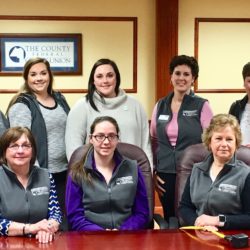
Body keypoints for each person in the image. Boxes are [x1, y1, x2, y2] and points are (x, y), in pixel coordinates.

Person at [150, 55, 213, 221]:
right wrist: (154, 170)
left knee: (188, 217)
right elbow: (154, 139)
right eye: (177, 73)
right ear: (171, 77)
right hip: (165, 172)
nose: (181, 78)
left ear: (193, 79)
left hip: (193, 172)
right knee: (170, 216)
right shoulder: (160, 104)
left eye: (186, 74)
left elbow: (210, 141)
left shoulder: (202, 105)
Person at [7, 57, 70, 214]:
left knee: (63, 223)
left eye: (43, 73)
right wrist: (35, 174)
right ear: (26, 78)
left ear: (50, 75)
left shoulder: (59, 99)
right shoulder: (22, 104)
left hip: (64, 173)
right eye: (33, 74)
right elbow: (20, 144)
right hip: (38, 175)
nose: (39, 78)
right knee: (42, 223)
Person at [65, 58, 153, 170]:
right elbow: (73, 150)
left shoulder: (135, 105)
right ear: (93, 81)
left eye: (110, 75)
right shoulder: (82, 106)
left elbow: (146, 146)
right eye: (99, 76)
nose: (105, 80)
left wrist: (147, 175)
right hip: (94, 178)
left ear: (117, 78)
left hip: (133, 177)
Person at [66, 116, 149, 231]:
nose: (106, 142)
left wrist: (123, 231)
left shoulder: (133, 168)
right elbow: (75, 217)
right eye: (99, 136)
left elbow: (142, 213)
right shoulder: (77, 173)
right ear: (91, 139)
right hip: (91, 238)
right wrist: (101, 233)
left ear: (117, 139)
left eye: (111, 136)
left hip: (127, 236)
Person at [179, 114, 250, 230]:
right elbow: (185, 207)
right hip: (199, 234)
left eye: (229, 139)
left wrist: (218, 220)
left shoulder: (246, 174)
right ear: (209, 142)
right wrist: (198, 223)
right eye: (218, 138)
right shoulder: (196, 170)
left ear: (236, 144)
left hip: (230, 237)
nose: (224, 144)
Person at [0, 127, 62, 243]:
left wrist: (47, 228)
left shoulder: (46, 176)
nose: (20, 151)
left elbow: (55, 213)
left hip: (42, 242)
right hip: (7, 244)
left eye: (26, 146)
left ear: (32, 151)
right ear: (4, 151)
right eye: (14, 146)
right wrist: (31, 229)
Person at [229, 62, 250, 147]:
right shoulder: (236, 107)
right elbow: (228, 134)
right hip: (238, 156)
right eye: (249, 81)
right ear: (244, 83)